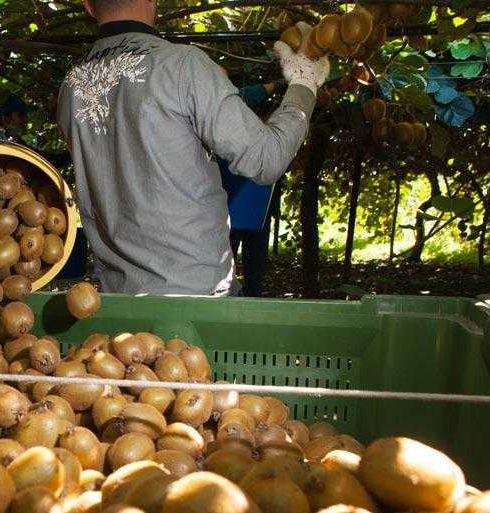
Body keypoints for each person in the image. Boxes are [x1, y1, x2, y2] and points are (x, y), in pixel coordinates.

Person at [57, 0, 328, 295]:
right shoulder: (182, 65)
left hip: (115, 294)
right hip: (194, 292)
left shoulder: (71, 86)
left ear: (88, 5)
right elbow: (265, 158)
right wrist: (304, 84)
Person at [218, 81, 282, 297]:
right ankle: (229, 296)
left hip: (253, 209)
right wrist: (278, 84)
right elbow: (243, 95)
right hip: (233, 206)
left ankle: (249, 299)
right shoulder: (229, 114)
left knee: (254, 261)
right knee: (228, 259)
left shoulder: (267, 139)